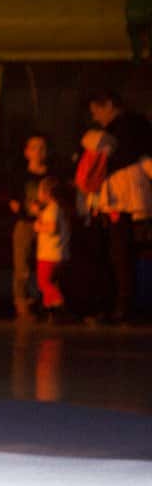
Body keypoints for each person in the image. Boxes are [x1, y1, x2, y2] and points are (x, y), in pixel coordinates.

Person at [82, 90, 152, 322]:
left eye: (97, 111)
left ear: (109, 105)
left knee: (120, 254)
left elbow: (118, 158)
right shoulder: (134, 130)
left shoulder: (127, 131)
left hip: (121, 202)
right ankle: (117, 304)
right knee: (115, 254)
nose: (95, 117)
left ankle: (122, 305)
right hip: (116, 202)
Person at [8, 134, 50, 319]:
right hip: (26, 223)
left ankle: (43, 300)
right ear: (27, 152)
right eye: (34, 147)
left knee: (45, 264)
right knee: (22, 264)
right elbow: (14, 202)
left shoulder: (50, 177)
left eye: (42, 148)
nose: (38, 152)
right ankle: (22, 302)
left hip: (47, 224)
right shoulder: (20, 176)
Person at [33, 175, 70, 322]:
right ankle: (50, 311)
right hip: (58, 253)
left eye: (39, 190)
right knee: (51, 282)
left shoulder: (52, 209)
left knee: (43, 282)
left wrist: (38, 227)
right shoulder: (57, 209)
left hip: (49, 254)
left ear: (47, 193)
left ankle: (59, 302)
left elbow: (52, 228)